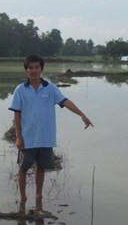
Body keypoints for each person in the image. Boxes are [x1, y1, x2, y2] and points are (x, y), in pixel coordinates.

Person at [8, 54, 93, 209]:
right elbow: (17, 114)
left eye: (37, 67)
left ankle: (38, 196)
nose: (34, 70)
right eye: (31, 68)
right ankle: (23, 198)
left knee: (41, 168)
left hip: (45, 138)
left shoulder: (51, 88)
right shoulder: (20, 90)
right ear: (27, 70)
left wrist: (82, 114)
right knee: (23, 168)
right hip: (27, 138)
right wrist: (19, 137)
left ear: (41, 69)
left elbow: (66, 102)